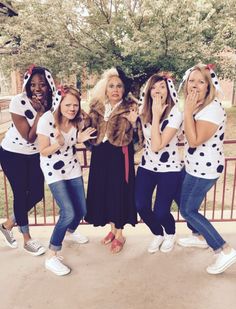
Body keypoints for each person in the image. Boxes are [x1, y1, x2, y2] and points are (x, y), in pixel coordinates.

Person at [177, 63, 236, 274]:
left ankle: (223, 249)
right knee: (183, 199)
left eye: (201, 81)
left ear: (209, 86)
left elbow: (193, 140)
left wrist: (186, 112)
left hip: (205, 169)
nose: (195, 85)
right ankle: (198, 236)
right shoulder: (199, 107)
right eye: (191, 80)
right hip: (194, 166)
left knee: (187, 210)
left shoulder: (212, 109)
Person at [37, 85, 96, 275]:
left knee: (82, 210)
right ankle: (52, 254)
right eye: (68, 105)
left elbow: (72, 141)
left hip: (72, 168)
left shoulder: (77, 120)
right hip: (54, 171)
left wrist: (78, 139)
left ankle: (69, 231)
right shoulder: (47, 120)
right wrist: (58, 144)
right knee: (69, 212)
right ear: (59, 103)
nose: (72, 109)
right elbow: (44, 151)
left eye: (76, 105)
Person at [85, 67, 143, 254]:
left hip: (120, 156)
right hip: (100, 156)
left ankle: (119, 235)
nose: (115, 89)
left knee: (119, 193)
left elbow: (139, 140)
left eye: (119, 86)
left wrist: (135, 123)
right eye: (111, 86)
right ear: (105, 89)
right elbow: (87, 130)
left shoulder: (130, 108)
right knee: (104, 192)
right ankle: (111, 229)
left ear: (124, 89)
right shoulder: (97, 108)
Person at [0, 65, 55, 256]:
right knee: (20, 194)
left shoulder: (52, 102)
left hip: (34, 155)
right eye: (33, 85)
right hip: (13, 153)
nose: (37, 88)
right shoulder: (18, 101)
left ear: (49, 85)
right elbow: (29, 137)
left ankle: (7, 225)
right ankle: (26, 238)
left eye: (42, 84)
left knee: (37, 193)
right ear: (27, 86)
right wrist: (39, 114)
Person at [135, 72, 183, 254]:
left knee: (161, 211)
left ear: (168, 90)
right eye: (153, 87)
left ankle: (170, 233)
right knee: (140, 206)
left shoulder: (175, 113)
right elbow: (140, 140)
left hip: (169, 169)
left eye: (162, 86)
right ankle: (158, 233)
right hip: (147, 167)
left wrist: (156, 116)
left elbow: (157, 145)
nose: (157, 90)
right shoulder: (143, 111)